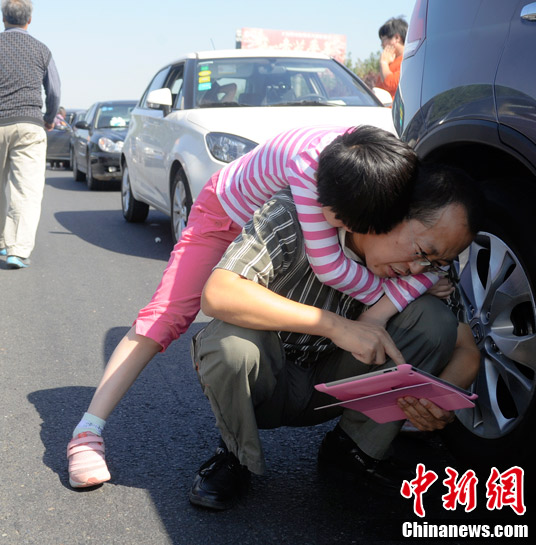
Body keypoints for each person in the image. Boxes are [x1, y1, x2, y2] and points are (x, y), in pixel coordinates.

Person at [67, 125, 443, 488]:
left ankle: (350, 443)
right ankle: (87, 431)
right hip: (224, 215)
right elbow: (329, 267)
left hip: (276, 223)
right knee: (166, 315)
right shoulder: (311, 176)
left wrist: (418, 278)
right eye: (342, 221)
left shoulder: (371, 167)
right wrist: (385, 300)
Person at [188, 164, 482, 510]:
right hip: (266, 377)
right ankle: (235, 455)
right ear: (391, 210)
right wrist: (336, 326)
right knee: (230, 345)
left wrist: (437, 400)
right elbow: (218, 293)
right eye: (421, 252)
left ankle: (353, 451)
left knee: (433, 320)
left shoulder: (428, 267)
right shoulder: (295, 214)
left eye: (436, 262)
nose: (420, 269)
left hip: (335, 386)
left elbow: (466, 348)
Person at [0, 0, 61, 269]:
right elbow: (54, 90)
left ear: (3, 18)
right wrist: (49, 117)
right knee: (27, 190)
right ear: (30, 19)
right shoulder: (43, 50)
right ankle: (18, 250)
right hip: (30, 126)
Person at [377, 17, 407, 99]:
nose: (382, 45)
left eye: (383, 40)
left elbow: (389, 83)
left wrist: (383, 63)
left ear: (397, 38)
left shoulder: (408, 61)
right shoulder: (392, 61)